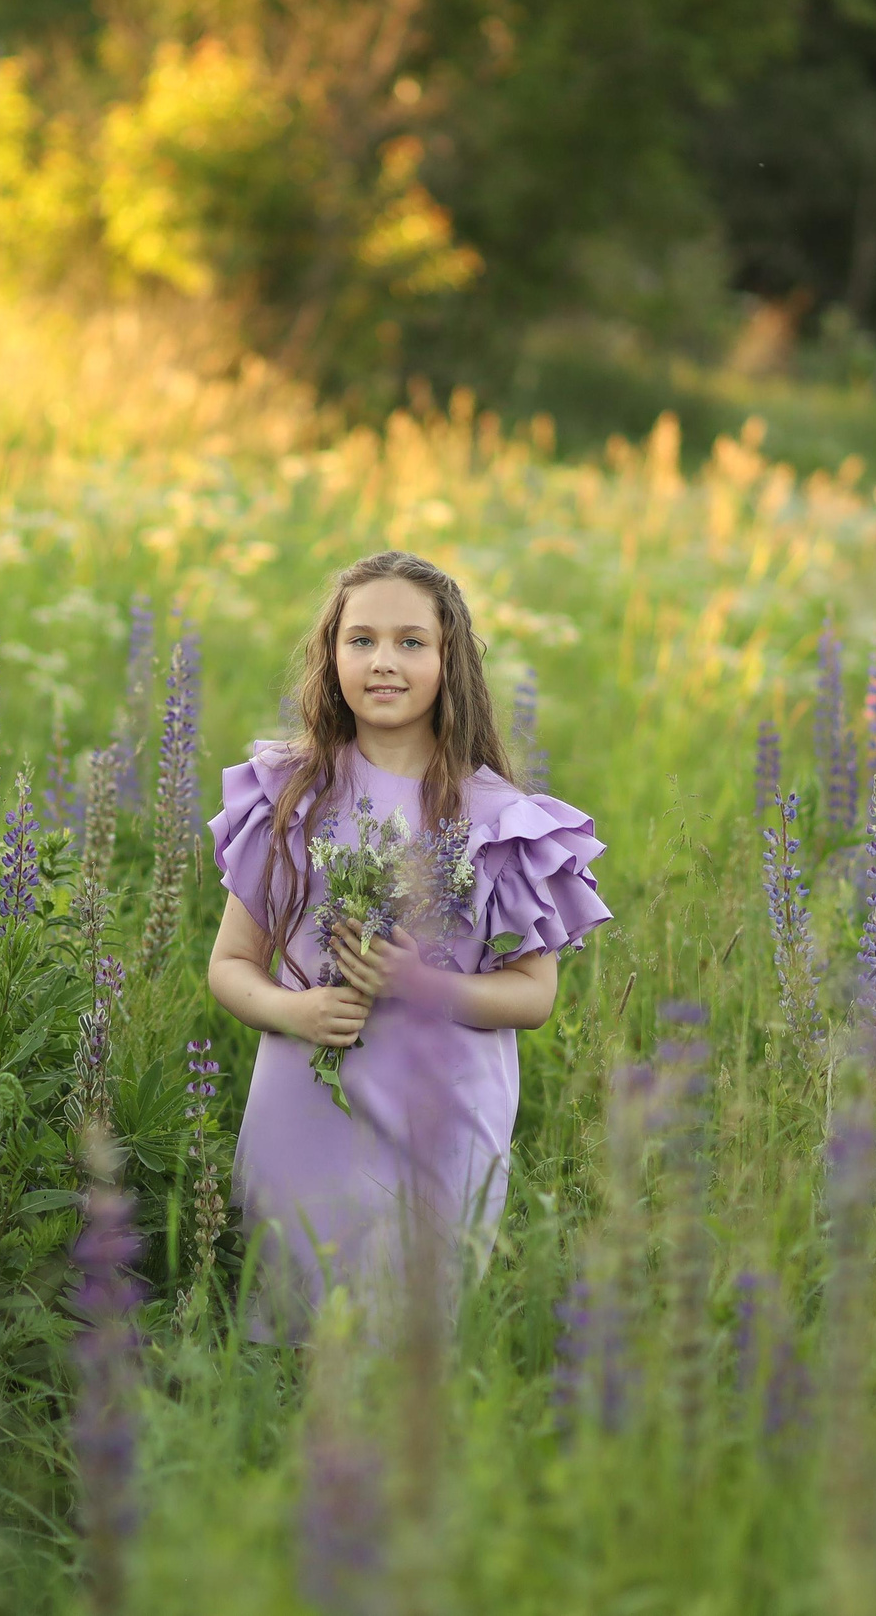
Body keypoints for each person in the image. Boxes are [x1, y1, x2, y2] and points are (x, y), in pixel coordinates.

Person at [204, 550, 611, 1336]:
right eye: (360, 640)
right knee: (291, 1339)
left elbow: (533, 996)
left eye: (409, 641)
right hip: (304, 1112)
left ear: (448, 658)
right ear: (331, 656)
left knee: (411, 1350)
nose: (382, 661)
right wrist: (300, 1013)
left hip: (441, 1119)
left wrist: (419, 985)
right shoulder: (289, 794)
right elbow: (229, 967)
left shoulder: (500, 818)